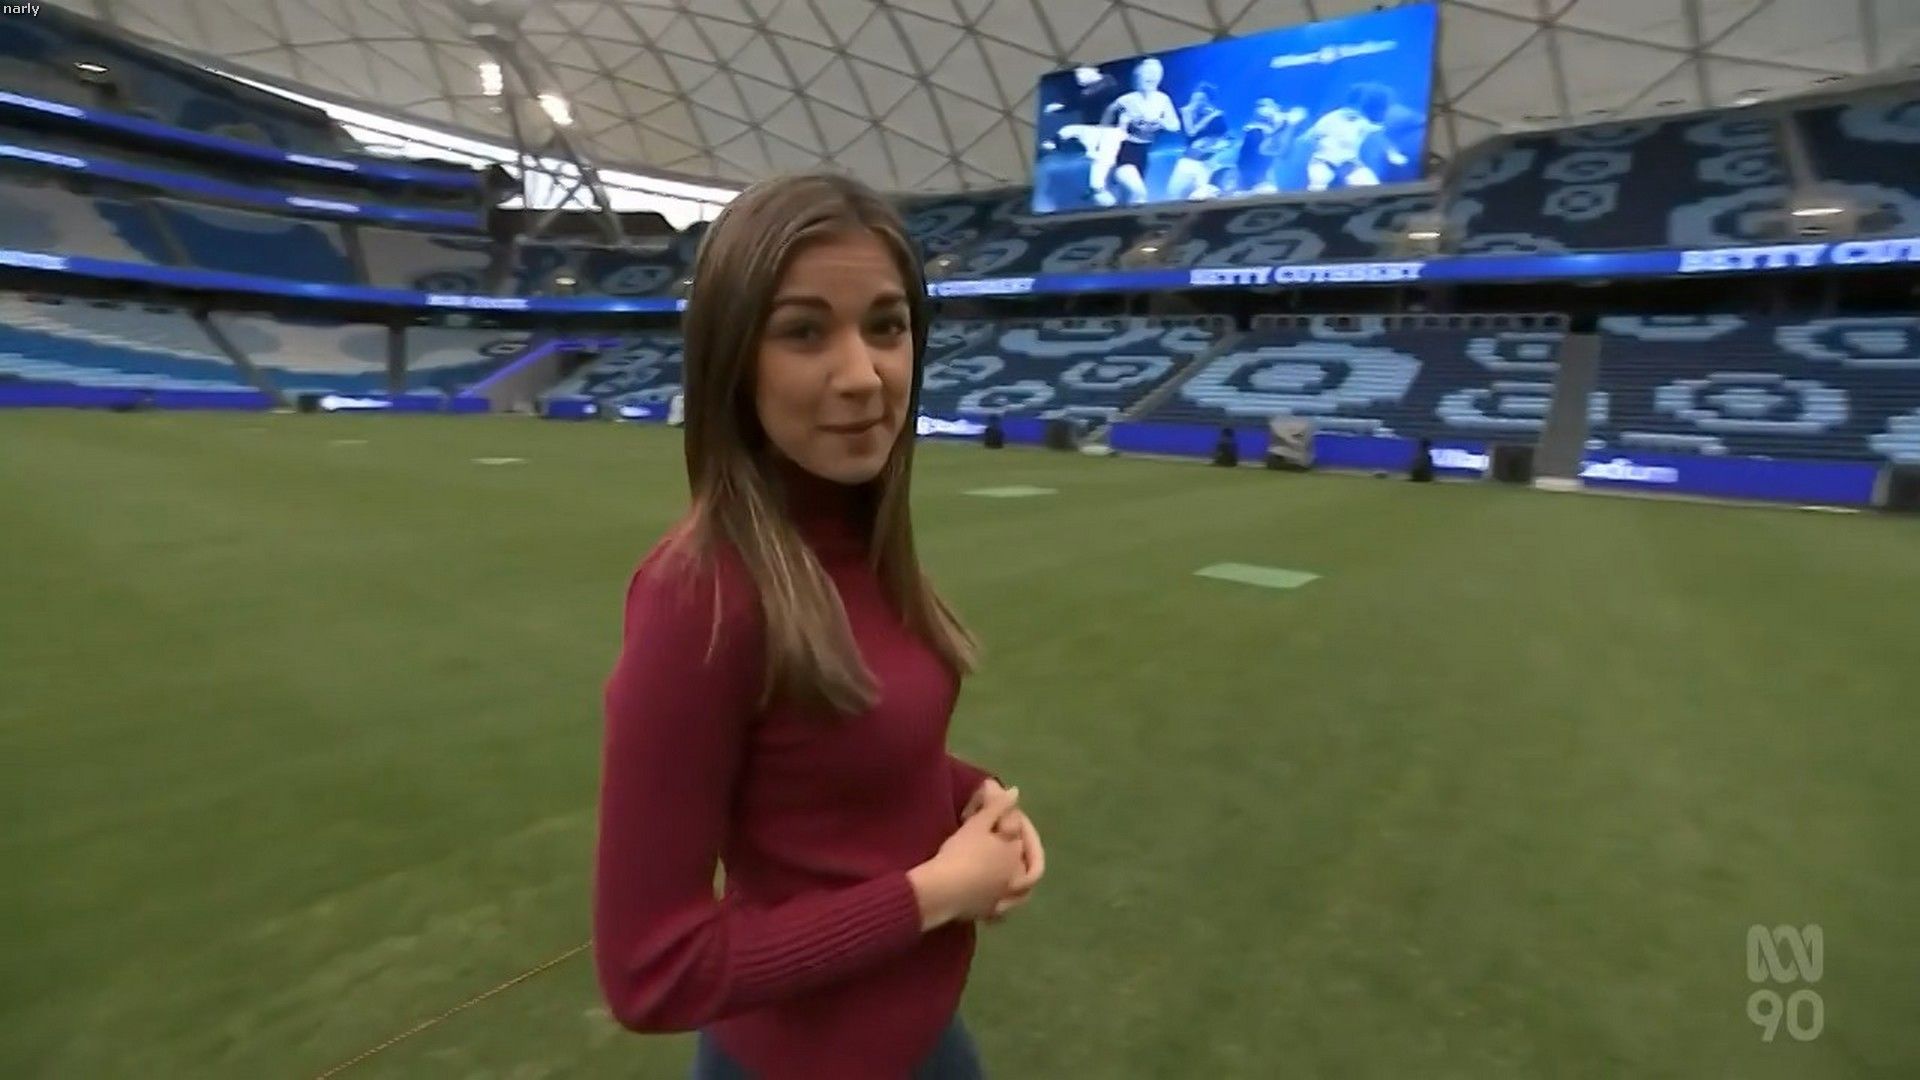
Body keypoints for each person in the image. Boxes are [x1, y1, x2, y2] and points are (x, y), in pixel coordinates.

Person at [594, 173, 1046, 1080]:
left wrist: (969, 792)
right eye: (805, 332)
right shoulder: (698, 596)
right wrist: (935, 892)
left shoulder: (860, 532)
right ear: (735, 359)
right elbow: (652, 973)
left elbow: (832, 761)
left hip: (923, 1038)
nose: (862, 374)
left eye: (886, 326)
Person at [1096, 56, 1180, 206]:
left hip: (1144, 153)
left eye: (1155, 74)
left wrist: (1160, 123)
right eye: (1147, 73)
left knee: (1127, 198)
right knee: (1139, 193)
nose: (1151, 77)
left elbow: (1175, 126)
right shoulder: (1126, 100)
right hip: (1124, 151)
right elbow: (1108, 115)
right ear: (1138, 76)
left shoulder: (1162, 99)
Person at [1301, 83, 1407, 191]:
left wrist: (1393, 154)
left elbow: (1380, 136)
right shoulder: (1330, 118)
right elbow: (1308, 137)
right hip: (1323, 161)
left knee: (1371, 187)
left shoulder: (1363, 122)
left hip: (1349, 163)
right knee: (1318, 184)